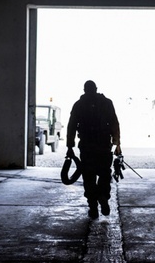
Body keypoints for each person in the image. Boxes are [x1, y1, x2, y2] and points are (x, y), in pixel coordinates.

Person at [66, 80, 121, 219]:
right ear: (96, 89)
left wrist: (70, 146)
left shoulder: (79, 105)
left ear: (84, 90)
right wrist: (117, 143)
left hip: (87, 147)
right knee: (104, 174)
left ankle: (93, 207)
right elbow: (114, 123)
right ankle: (103, 196)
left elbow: (71, 126)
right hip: (103, 146)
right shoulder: (107, 103)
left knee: (89, 177)